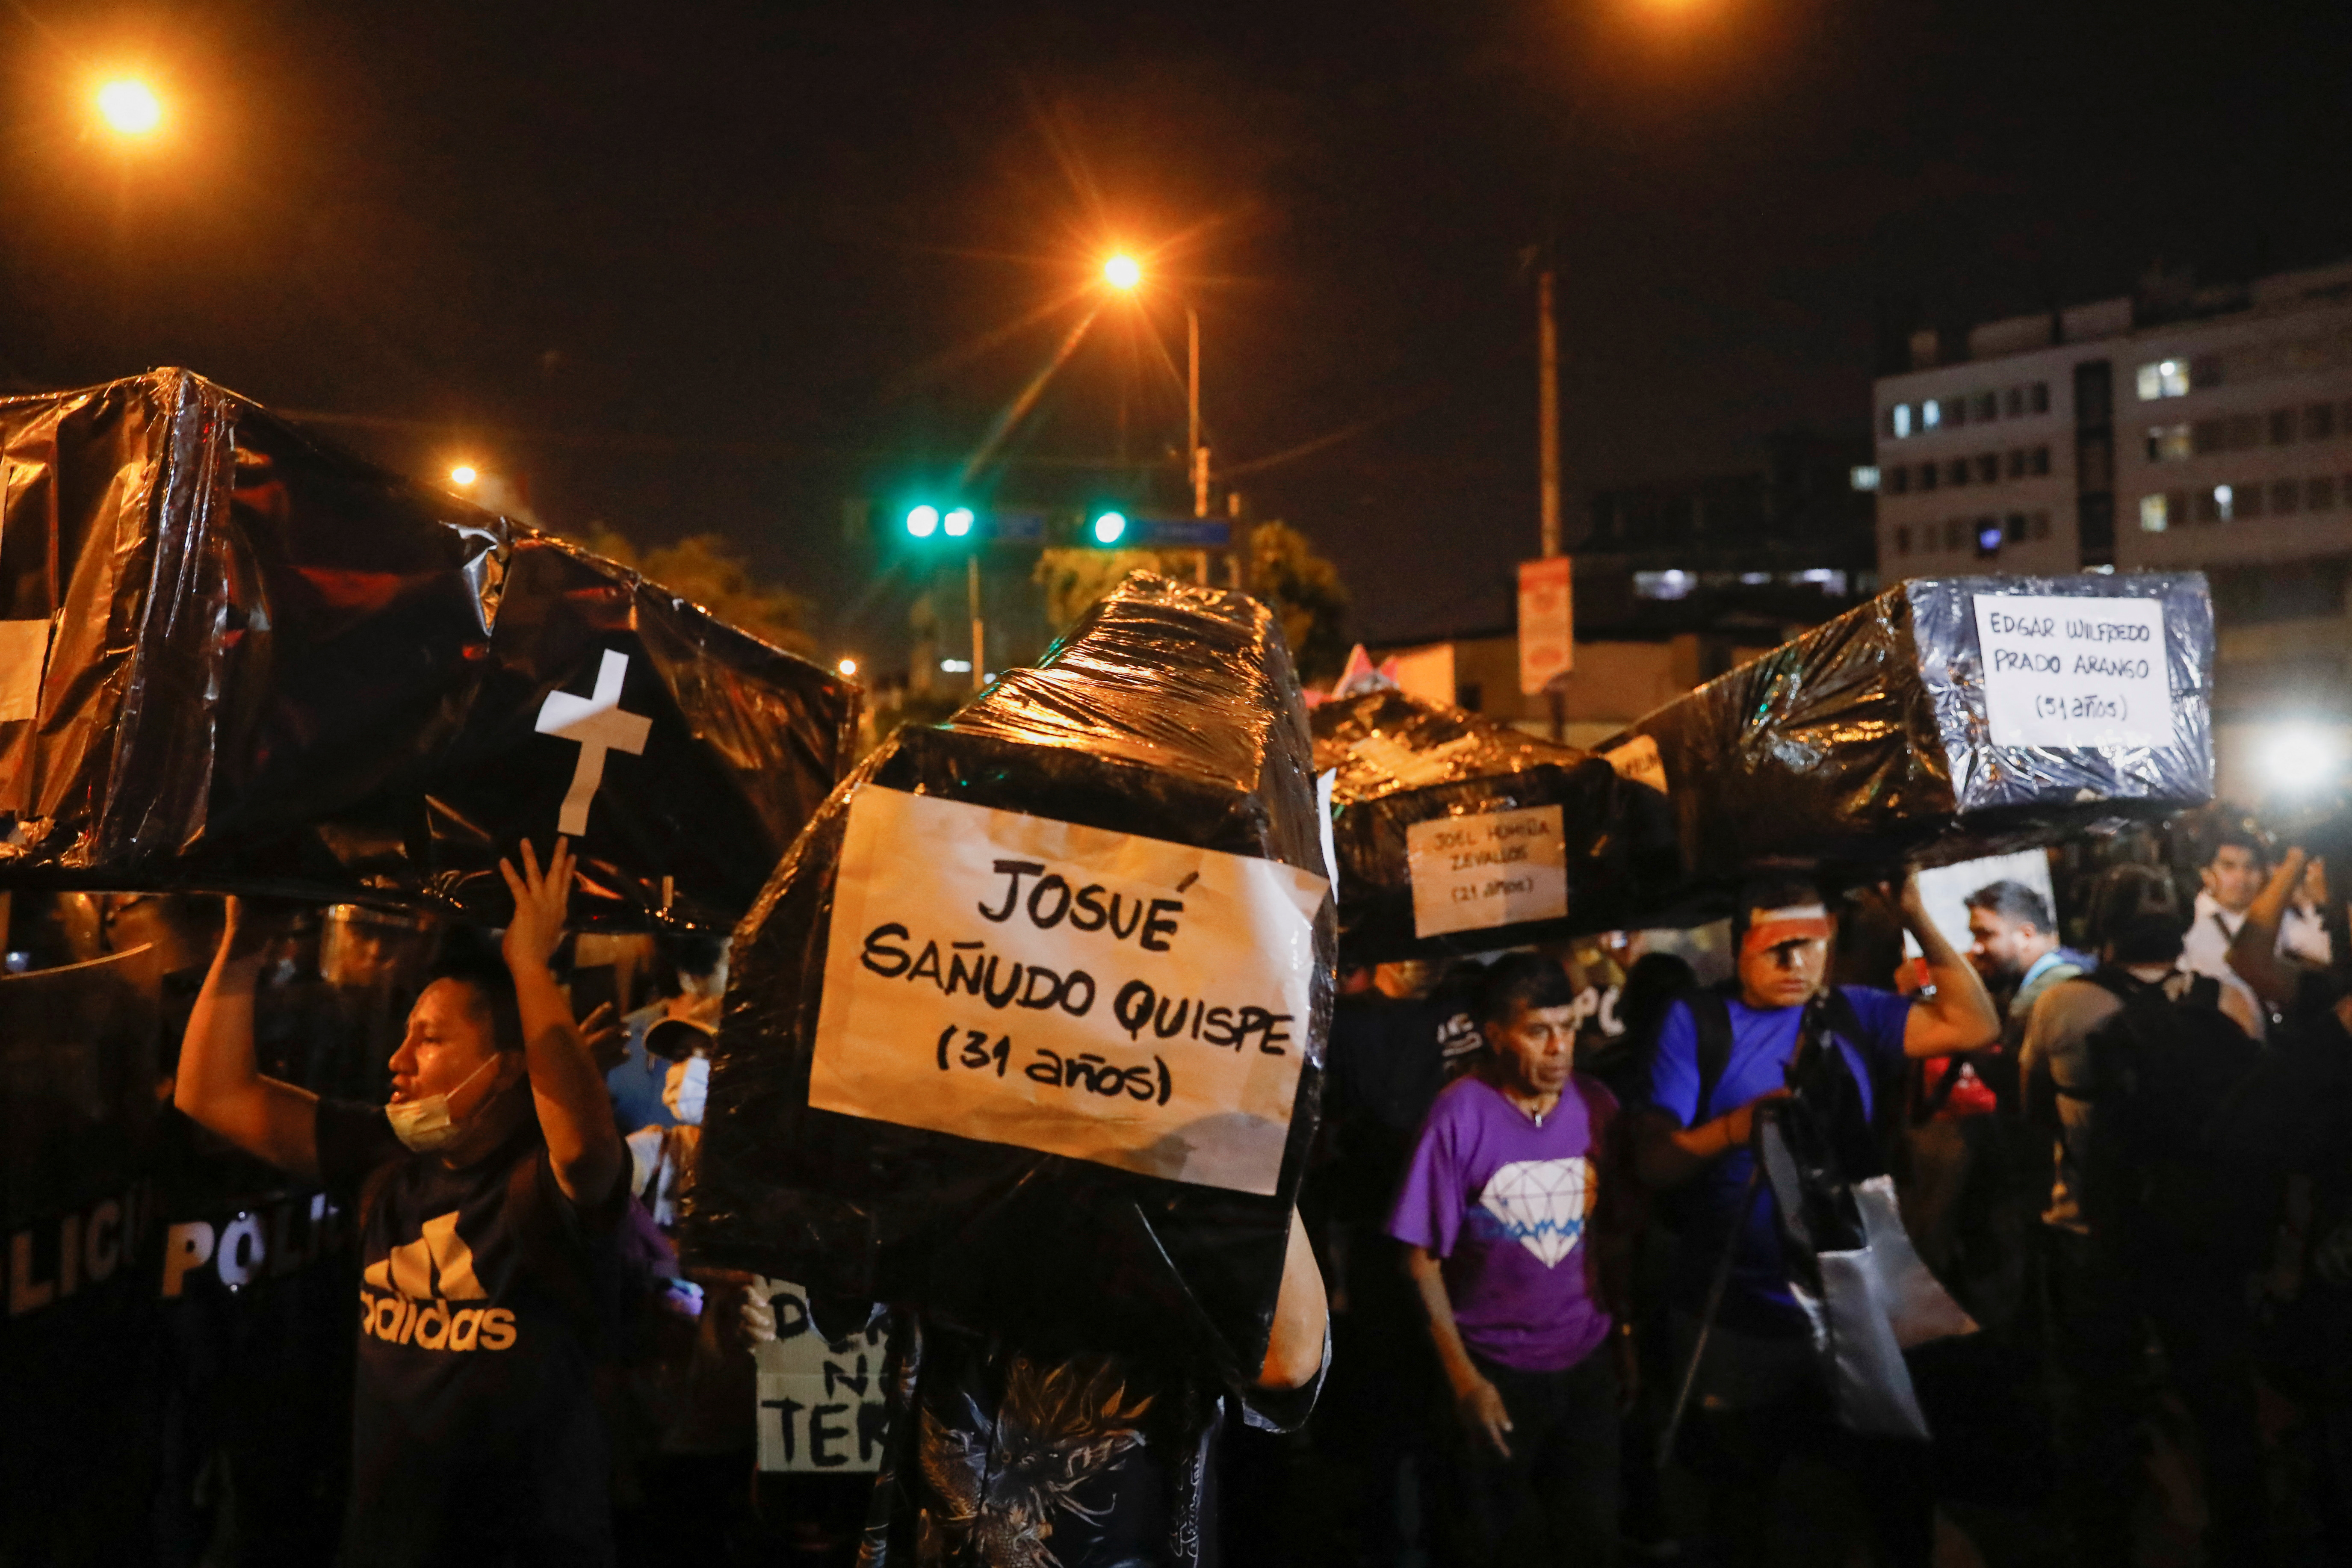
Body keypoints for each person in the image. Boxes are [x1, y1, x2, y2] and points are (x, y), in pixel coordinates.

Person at [174, 839, 630, 1567]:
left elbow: (583, 1147)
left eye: (430, 1038)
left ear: (504, 1066)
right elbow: (213, 1094)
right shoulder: (389, 1156)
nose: (398, 1059)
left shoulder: (545, 1186)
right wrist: (244, 943)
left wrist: (527, 964)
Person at [1631, 872, 2001, 1568]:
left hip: (1852, 1304)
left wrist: (1918, 917)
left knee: (1884, 1487)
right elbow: (1656, 1162)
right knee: (1739, 1495)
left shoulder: (1855, 1013)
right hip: (1737, 1309)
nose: (1793, 964)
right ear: (1739, 945)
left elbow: (1976, 1024)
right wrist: (1739, 1126)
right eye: (1775, 947)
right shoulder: (1697, 1022)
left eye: (1810, 945)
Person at [2018, 862, 2272, 1568]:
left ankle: (2103, 1539)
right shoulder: (2232, 1001)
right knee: (2220, 1396)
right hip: (2200, 1229)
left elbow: (2034, 1113)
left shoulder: (2063, 1006)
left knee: (2097, 1403)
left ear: (2101, 925)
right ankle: (2245, 1534)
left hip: (2093, 1231)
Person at [1388, 952, 1637, 1566]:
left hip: (1584, 1363)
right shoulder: (1459, 1113)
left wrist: (1625, 1337)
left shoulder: (1597, 1105)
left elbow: (1614, 1235)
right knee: (1499, 1542)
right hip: (1496, 1369)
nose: (1559, 1048)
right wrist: (1465, 1382)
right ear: (1495, 1034)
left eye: (1569, 1027)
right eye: (1538, 1031)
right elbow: (1419, 1259)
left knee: (1590, 1537)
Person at [2180, 823, 2330, 1037]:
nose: (2241, 878)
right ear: (2207, 873)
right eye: (2229, 866)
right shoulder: (2192, 925)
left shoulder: (2286, 918)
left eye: (2250, 867)